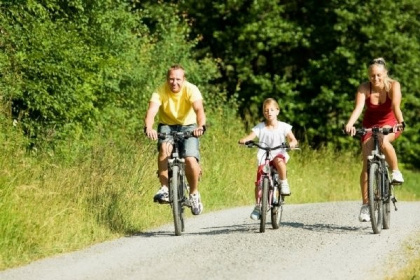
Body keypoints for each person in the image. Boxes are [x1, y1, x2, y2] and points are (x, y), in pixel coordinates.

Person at [345, 57, 405, 222]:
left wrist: (400, 123)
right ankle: (366, 205)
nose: (376, 79)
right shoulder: (364, 88)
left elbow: (395, 107)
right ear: (368, 75)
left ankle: (395, 172)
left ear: (385, 73)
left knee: (384, 141)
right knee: (366, 164)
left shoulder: (393, 85)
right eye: (372, 76)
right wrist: (350, 124)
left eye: (379, 75)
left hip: (390, 124)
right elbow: (358, 108)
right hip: (370, 126)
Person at [144, 64, 206, 215]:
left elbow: (199, 110)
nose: (174, 83)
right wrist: (149, 127)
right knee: (164, 150)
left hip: (189, 126)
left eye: (178, 79)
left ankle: (194, 194)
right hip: (167, 125)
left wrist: (201, 126)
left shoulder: (191, 89)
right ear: (167, 79)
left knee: (190, 158)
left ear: (184, 79)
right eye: (171, 79)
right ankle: (165, 188)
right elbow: (152, 111)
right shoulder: (160, 91)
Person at [238, 98, 298, 220]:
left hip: (278, 153)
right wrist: (245, 140)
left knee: (279, 161)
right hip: (264, 156)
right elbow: (251, 136)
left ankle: (283, 182)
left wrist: (292, 143)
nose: (269, 112)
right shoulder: (260, 127)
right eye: (266, 111)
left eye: (271, 110)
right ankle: (258, 206)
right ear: (263, 113)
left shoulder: (284, 127)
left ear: (277, 111)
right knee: (259, 180)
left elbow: (293, 139)